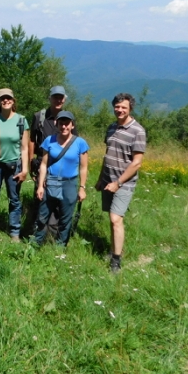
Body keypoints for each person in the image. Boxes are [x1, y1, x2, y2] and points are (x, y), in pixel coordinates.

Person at [95, 93, 146, 273]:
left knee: (116, 219)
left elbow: (136, 163)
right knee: (111, 217)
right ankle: (113, 250)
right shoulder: (111, 128)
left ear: (130, 108)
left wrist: (118, 182)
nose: (120, 110)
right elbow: (107, 154)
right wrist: (101, 178)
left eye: (123, 107)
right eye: (117, 106)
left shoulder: (137, 131)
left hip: (124, 183)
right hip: (108, 180)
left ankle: (116, 261)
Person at [29, 85, 76, 243]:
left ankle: (51, 236)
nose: (58, 100)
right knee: (40, 201)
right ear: (49, 98)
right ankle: (35, 233)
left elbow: (74, 144)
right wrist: (30, 162)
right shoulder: (39, 117)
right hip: (42, 164)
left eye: (61, 97)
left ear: (64, 99)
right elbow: (31, 140)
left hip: (60, 170)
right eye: (55, 97)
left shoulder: (68, 119)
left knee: (57, 205)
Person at [35, 111, 88, 247]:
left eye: (67, 123)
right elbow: (44, 164)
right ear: (56, 124)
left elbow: (83, 168)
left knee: (65, 218)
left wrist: (82, 188)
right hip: (51, 182)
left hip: (69, 184)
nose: (64, 126)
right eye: (61, 123)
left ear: (72, 125)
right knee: (42, 216)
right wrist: (40, 185)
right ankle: (35, 244)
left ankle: (60, 247)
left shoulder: (80, 143)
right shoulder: (49, 141)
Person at [0, 88, 29, 241]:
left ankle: (14, 232)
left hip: (14, 165)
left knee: (14, 199)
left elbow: (25, 148)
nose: (5, 101)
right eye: (3, 98)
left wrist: (25, 169)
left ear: (13, 101)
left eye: (8, 98)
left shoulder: (21, 120)